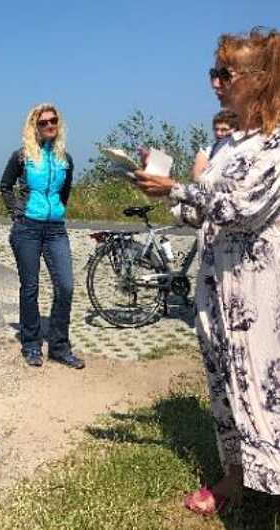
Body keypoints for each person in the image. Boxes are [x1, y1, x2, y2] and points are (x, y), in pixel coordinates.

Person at [135, 28, 280, 516]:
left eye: (225, 74)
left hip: (258, 290)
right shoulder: (227, 144)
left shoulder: (275, 142)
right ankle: (236, 478)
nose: (215, 83)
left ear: (260, 80)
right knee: (224, 381)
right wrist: (161, 187)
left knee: (264, 381)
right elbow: (201, 212)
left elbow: (241, 207)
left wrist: (176, 189)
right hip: (217, 286)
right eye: (212, 73)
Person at [0, 103, 84, 370]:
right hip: (27, 229)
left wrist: (58, 211)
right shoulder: (22, 156)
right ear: (34, 126)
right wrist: (17, 212)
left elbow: (65, 192)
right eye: (43, 122)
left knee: (66, 287)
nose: (49, 125)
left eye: (53, 121)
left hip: (56, 229)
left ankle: (59, 347)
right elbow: (5, 185)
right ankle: (32, 344)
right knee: (31, 287)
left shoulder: (65, 159)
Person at [191, 109, 240, 180]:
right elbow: (198, 179)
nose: (218, 133)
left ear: (235, 130)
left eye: (224, 130)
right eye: (216, 129)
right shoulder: (206, 153)